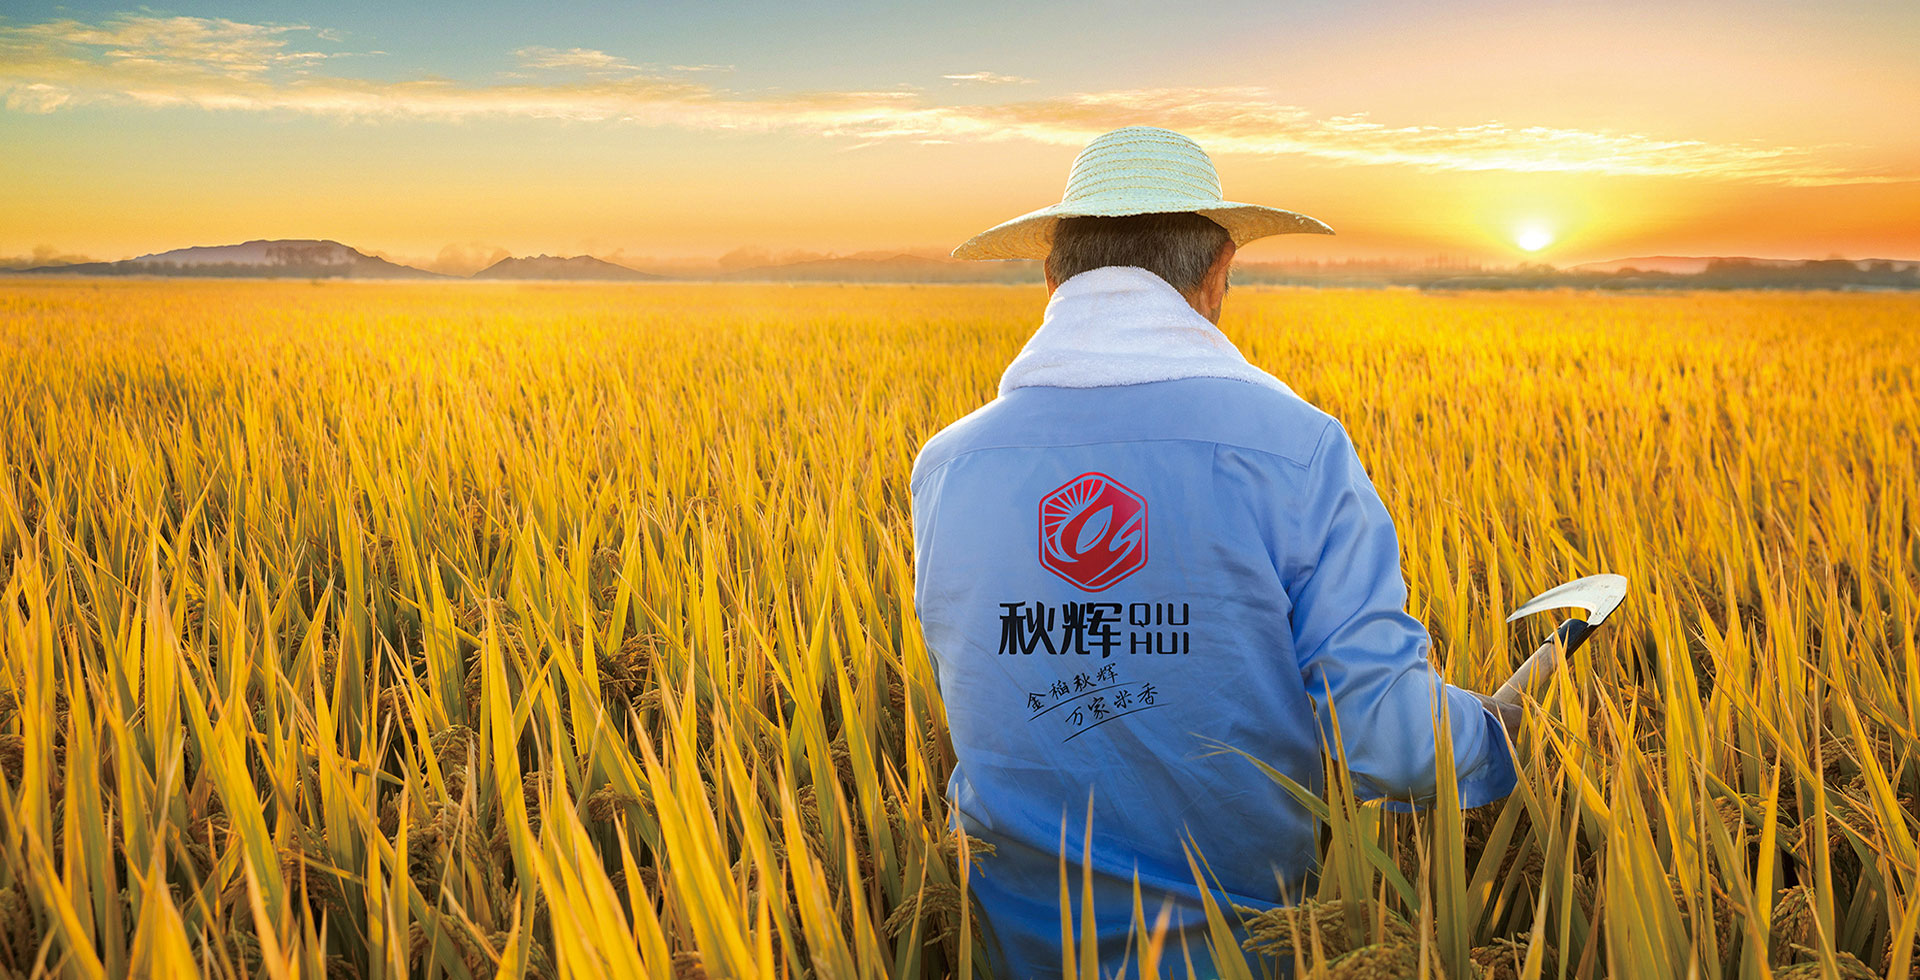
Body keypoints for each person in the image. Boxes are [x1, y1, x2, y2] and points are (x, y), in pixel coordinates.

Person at [908, 126, 1519, 979]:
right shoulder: (1296, 450)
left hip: (1002, 952)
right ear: (1220, 269)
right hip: (1245, 955)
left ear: (1052, 276)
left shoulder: (949, 465)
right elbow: (1395, 743)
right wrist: (1502, 731)